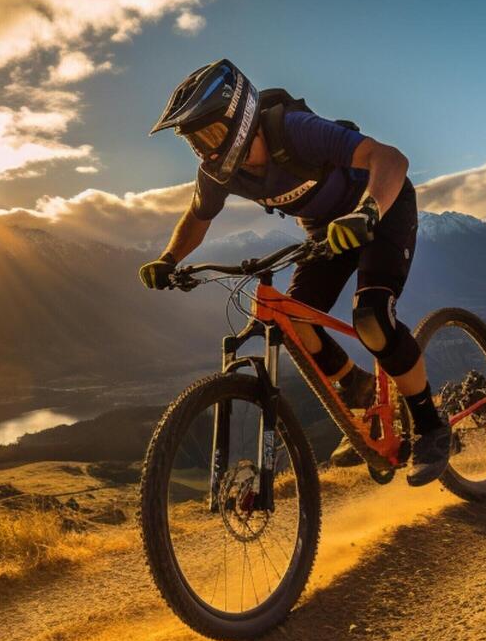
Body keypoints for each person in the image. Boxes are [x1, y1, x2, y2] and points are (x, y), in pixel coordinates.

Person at [140, 59, 451, 486]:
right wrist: (169, 258)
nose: (204, 150)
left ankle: (431, 426)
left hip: (381, 209)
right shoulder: (218, 172)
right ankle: (357, 388)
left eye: (209, 134)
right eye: (195, 141)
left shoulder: (295, 130)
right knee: (293, 319)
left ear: (241, 119)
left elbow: (391, 159)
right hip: (327, 232)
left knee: (372, 320)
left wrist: (368, 211)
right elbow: (198, 217)